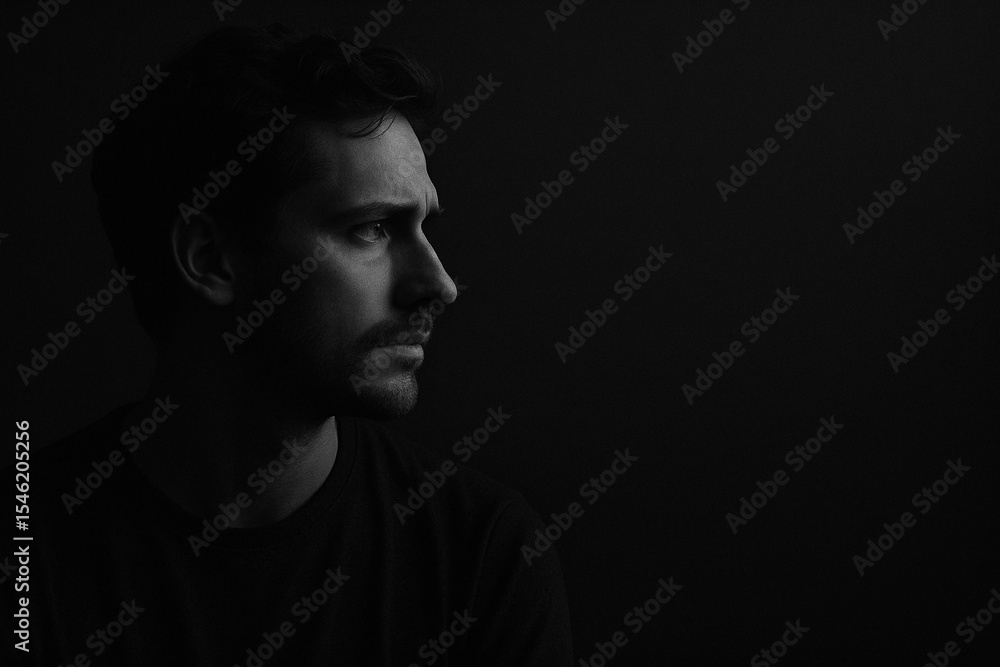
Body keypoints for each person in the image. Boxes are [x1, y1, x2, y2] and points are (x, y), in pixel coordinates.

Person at [8, 23, 572, 666]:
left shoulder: (484, 559)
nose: (438, 284)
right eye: (373, 228)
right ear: (210, 258)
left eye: (422, 226)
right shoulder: (23, 555)